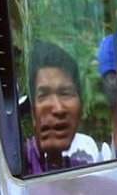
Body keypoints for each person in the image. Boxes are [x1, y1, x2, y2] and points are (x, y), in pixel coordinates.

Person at [22, 42, 104, 171]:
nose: (58, 109)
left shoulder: (84, 175)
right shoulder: (19, 168)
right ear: (32, 110)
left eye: (65, 93)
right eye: (43, 95)